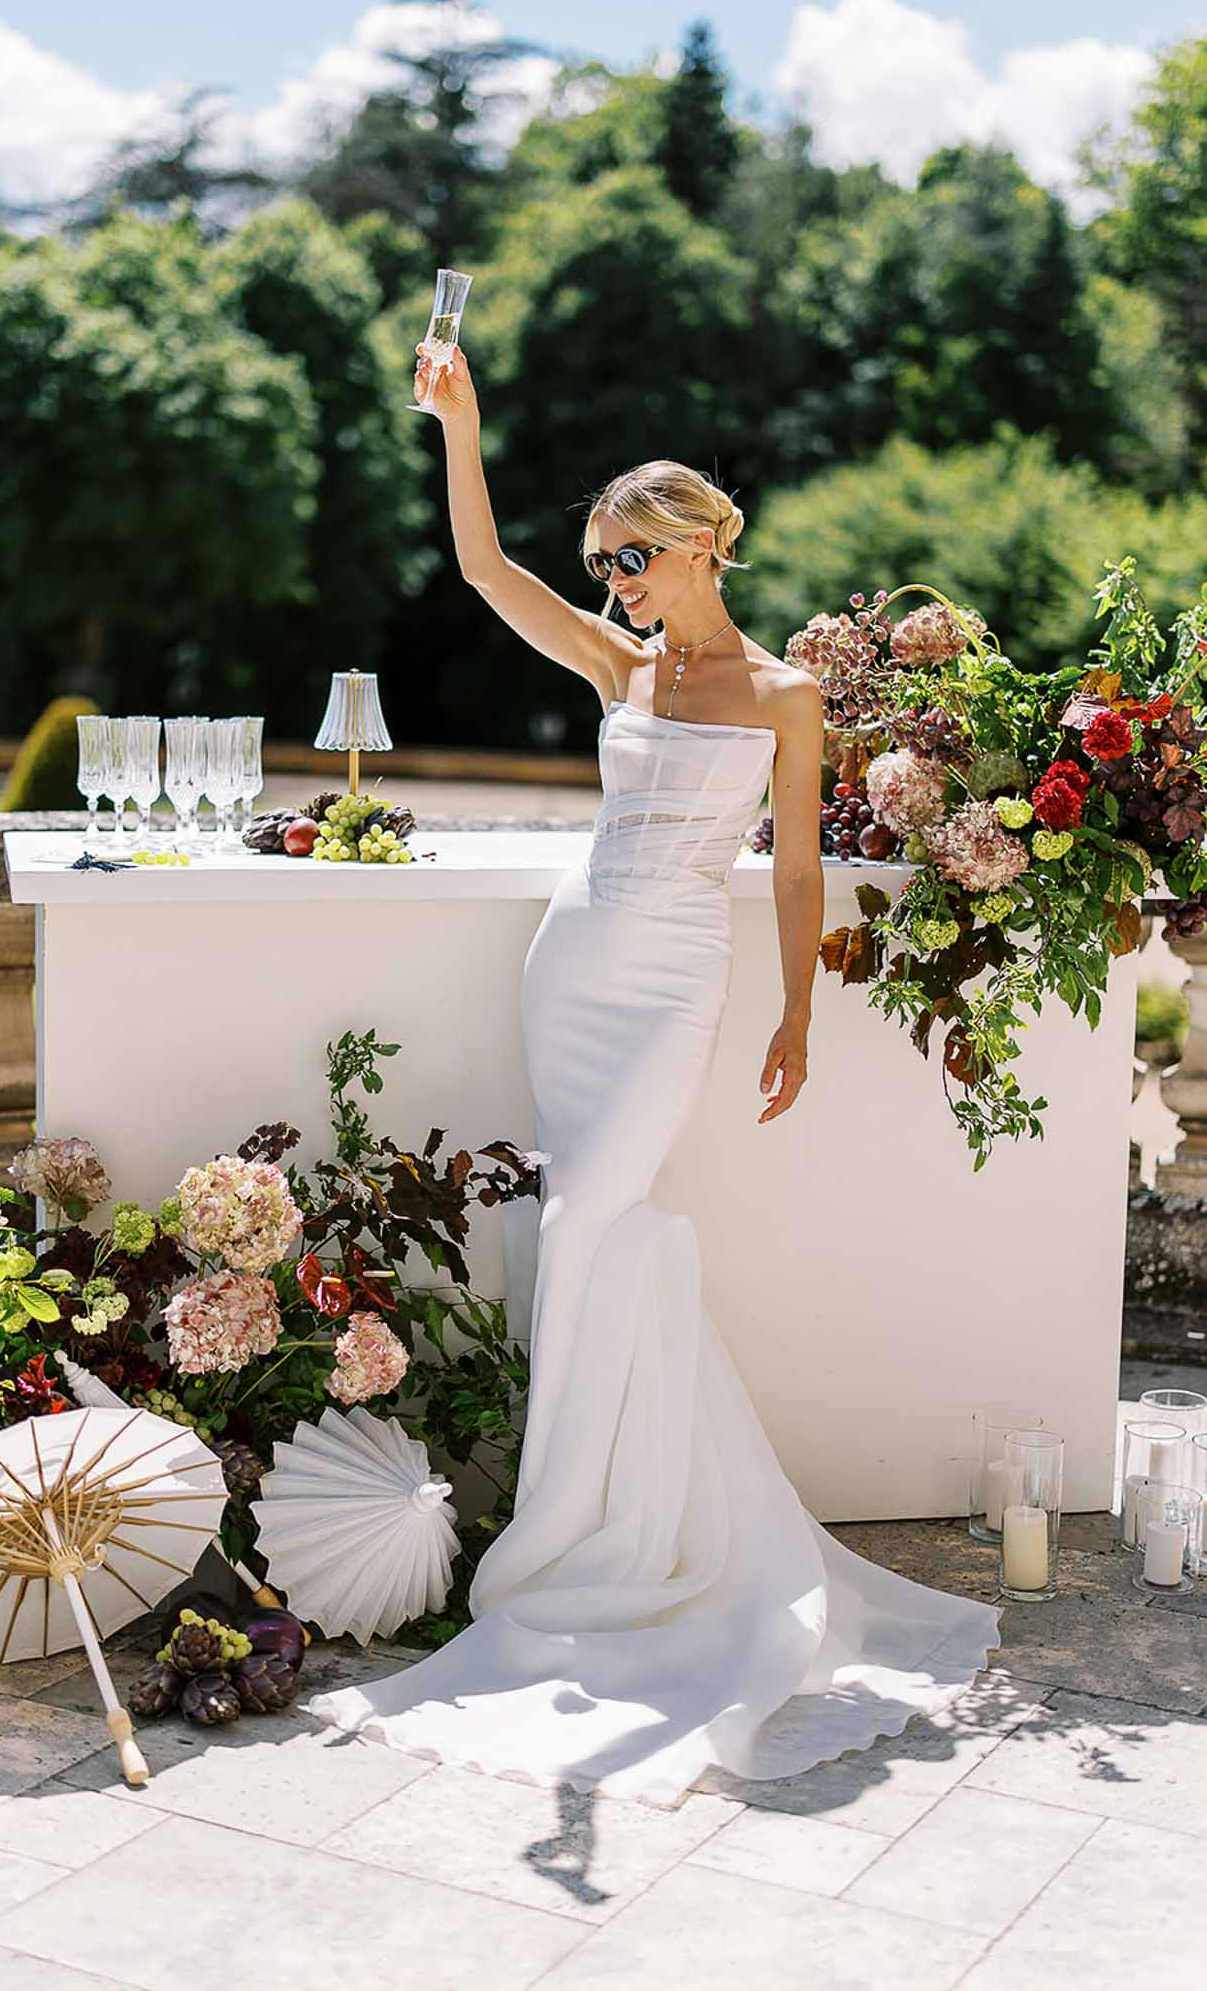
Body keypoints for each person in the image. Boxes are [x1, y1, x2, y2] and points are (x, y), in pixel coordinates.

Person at [303, 343, 1001, 1807]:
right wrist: (462, 421)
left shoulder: (786, 692)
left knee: (595, 1223)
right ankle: (594, 1526)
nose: (613, 582)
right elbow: (486, 568)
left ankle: (589, 1535)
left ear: (694, 546)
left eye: (628, 556)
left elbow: (799, 867)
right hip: (573, 965)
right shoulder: (617, 661)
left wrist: (797, 1010)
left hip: (678, 979)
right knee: (584, 1227)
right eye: (605, 564)